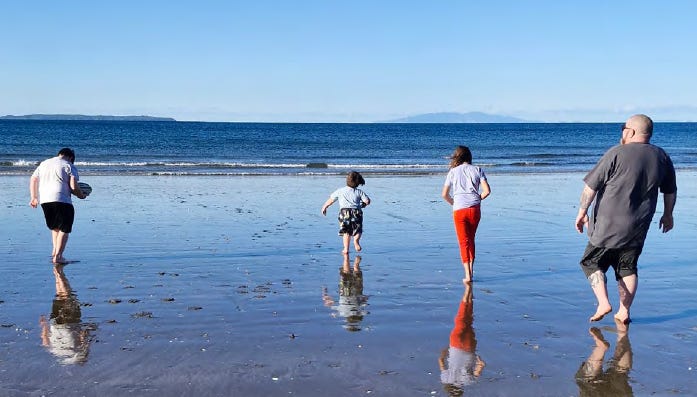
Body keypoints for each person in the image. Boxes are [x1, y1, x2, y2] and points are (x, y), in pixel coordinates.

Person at [575, 114, 677, 324]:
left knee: (590, 261)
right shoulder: (662, 157)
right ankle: (624, 312)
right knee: (627, 267)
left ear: (630, 131)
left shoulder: (616, 153)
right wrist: (668, 214)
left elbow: (590, 187)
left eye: (623, 128)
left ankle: (603, 302)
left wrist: (582, 212)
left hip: (608, 225)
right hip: (639, 225)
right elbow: (670, 191)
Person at [29, 148, 88, 264]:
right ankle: (58, 256)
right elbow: (73, 186)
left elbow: (33, 179)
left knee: (55, 227)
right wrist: (81, 195)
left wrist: (34, 197)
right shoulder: (69, 165)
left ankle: (55, 252)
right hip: (62, 199)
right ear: (71, 157)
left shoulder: (44, 163)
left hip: (45, 200)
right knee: (64, 228)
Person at [442, 146, 491, 283]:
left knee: (463, 242)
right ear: (469, 157)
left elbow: (444, 194)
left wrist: (454, 202)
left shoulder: (453, 172)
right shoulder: (478, 170)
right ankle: (471, 271)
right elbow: (487, 191)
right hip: (475, 209)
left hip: (459, 209)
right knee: (471, 239)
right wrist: (477, 199)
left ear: (457, 157)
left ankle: (468, 275)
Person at [439, 283, 485, 393]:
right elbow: (441, 359)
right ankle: (468, 289)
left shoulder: (469, 381)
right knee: (460, 319)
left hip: (470, 347)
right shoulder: (445, 378)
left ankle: (470, 293)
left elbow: (481, 364)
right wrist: (446, 350)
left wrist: (476, 357)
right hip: (455, 344)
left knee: (469, 321)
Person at [321, 171, 371, 254]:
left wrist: (324, 207)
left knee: (346, 232)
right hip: (356, 212)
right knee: (358, 229)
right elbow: (367, 201)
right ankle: (356, 241)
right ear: (358, 183)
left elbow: (331, 200)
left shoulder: (340, 190)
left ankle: (346, 249)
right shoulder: (359, 192)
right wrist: (364, 204)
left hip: (344, 213)